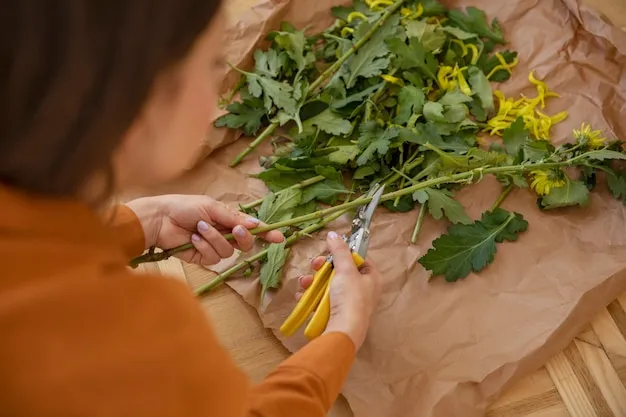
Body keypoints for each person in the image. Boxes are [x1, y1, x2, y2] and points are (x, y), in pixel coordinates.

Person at [0, 1, 383, 416]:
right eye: (214, 63)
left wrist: (140, 224)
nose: (223, 83)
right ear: (137, 101)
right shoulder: (134, 337)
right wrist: (344, 332)